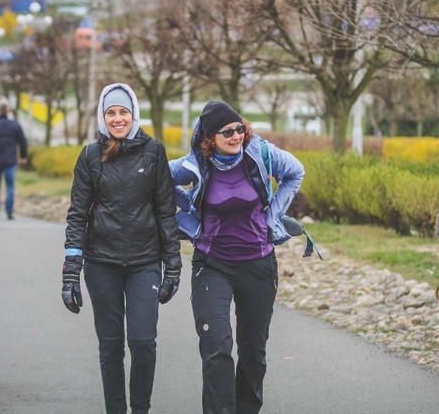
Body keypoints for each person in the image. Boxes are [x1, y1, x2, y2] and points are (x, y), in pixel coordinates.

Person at [169, 100, 305, 413]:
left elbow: (296, 172)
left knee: (253, 353)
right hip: (212, 264)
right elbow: (159, 178)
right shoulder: (195, 164)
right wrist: (187, 206)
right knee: (216, 346)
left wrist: (274, 217)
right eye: (227, 132)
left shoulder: (260, 154)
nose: (235, 136)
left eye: (239, 129)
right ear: (209, 140)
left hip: (258, 264)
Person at [61, 83, 182, 414]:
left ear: (134, 115)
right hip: (101, 264)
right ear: (102, 116)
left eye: (123, 112)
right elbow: (77, 217)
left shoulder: (154, 152)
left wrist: (173, 264)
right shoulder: (90, 156)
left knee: (143, 343)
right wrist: (70, 273)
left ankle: (140, 410)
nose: (117, 119)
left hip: (145, 263)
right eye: (111, 113)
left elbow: (165, 212)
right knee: (111, 347)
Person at [0, 102, 28, 220]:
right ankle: (9, 211)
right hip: (10, 160)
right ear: (8, 112)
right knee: (10, 186)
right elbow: (22, 141)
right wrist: (23, 156)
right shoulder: (15, 125)